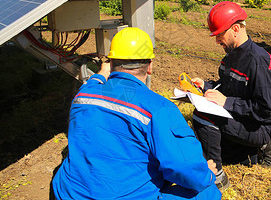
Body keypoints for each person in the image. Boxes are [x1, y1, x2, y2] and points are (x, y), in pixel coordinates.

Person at [52, 27, 221, 200]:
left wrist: (102, 72)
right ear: (150, 66)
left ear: (111, 63)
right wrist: (207, 174)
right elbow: (182, 166)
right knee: (209, 192)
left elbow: (93, 81)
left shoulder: (84, 94)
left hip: (68, 194)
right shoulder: (159, 108)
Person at [192, 1, 271, 190]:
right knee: (215, 148)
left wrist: (227, 102)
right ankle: (257, 150)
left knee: (202, 116)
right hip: (243, 118)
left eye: (219, 34)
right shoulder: (232, 54)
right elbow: (227, 87)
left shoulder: (258, 61)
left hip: (261, 125)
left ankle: (218, 178)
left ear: (235, 29)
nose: (217, 40)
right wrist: (205, 86)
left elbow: (266, 110)